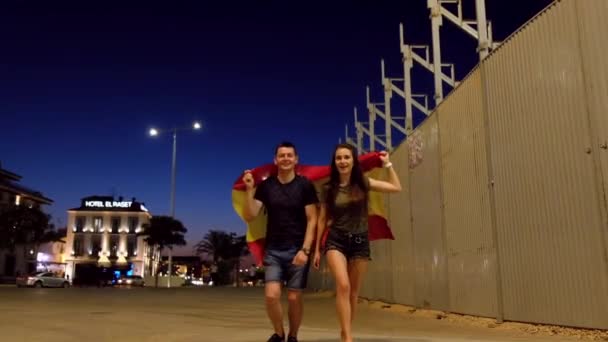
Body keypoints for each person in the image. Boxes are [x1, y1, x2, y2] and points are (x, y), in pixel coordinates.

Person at [313, 144, 402, 342]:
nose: (343, 161)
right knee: (343, 286)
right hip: (336, 240)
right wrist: (318, 248)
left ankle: (346, 331)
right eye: (339, 158)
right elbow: (321, 219)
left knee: (353, 293)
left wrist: (388, 165)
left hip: (360, 241)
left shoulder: (362, 182)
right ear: (334, 162)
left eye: (346, 157)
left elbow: (396, 187)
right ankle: (347, 338)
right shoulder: (328, 188)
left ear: (353, 161)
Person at [242, 141, 319, 342]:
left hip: (298, 249)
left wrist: (305, 250)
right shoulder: (266, 186)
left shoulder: (305, 185)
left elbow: (312, 219)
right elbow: (251, 215)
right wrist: (250, 189)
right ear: (276, 160)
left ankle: (293, 335)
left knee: (294, 297)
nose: (285, 158)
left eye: (289, 155)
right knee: (271, 296)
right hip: (274, 250)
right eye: (281, 155)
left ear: (296, 159)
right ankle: (279, 333)